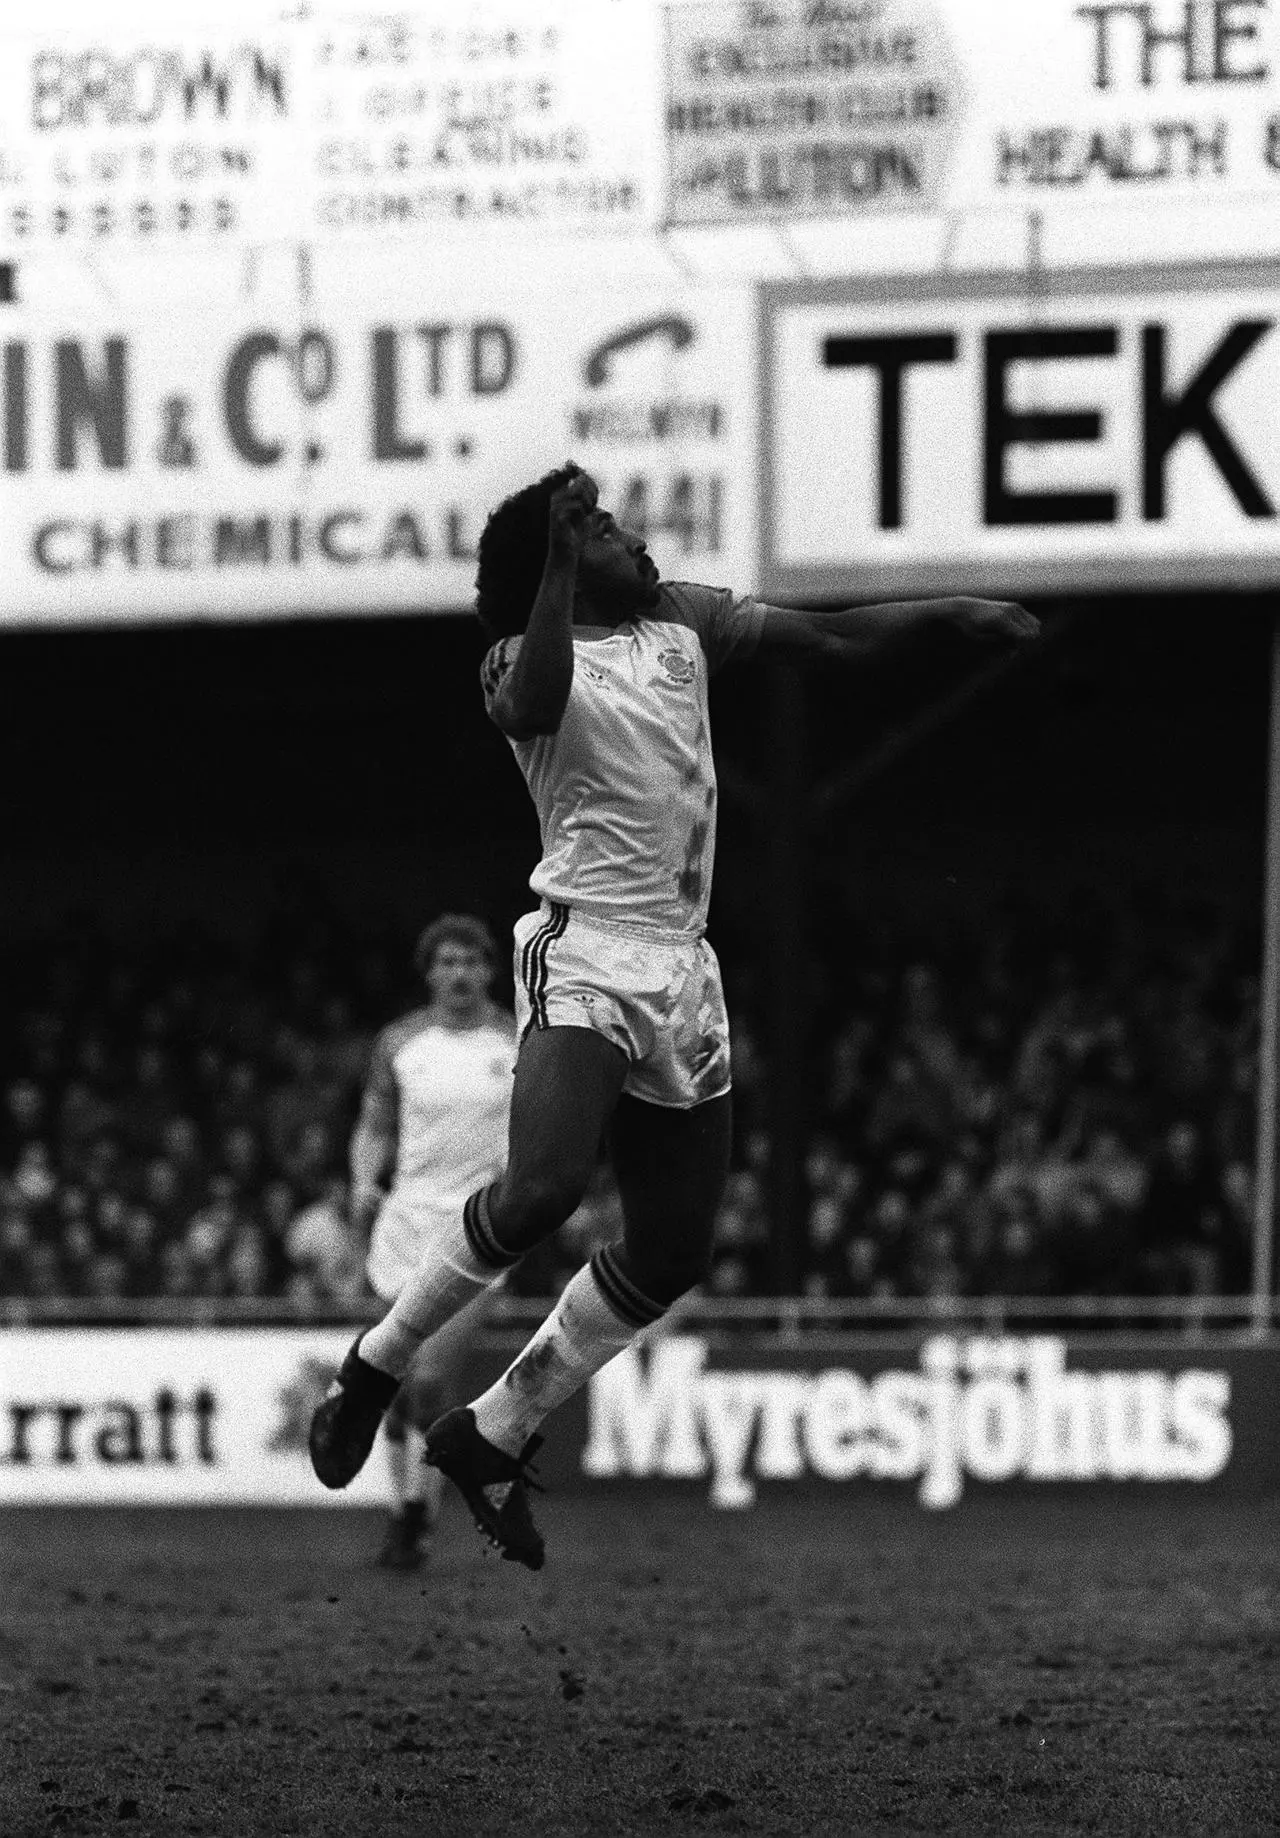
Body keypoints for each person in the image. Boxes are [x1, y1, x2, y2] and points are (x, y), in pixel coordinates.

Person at [310, 461, 1039, 1569]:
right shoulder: (515, 656)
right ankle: (375, 1363)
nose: (626, 538)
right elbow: (537, 701)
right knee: (544, 1187)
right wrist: (555, 563)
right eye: (597, 529)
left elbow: (831, 642)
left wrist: (945, 612)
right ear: (556, 564)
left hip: (682, 969)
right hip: (586, 947)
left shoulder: (677, 622)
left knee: (672, 1247)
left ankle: (494, 1425)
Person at [344, 913, 515, 1570]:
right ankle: (405, 1512)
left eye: (470, 961)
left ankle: (418, 1510)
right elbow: (373, 1125)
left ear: (490, 972)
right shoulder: (400, 1044)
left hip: (478, 1234)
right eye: (446, 962)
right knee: (391, 1379)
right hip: (404, 1230)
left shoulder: (518, 1042)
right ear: (428, 973)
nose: (459, 973)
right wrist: (363, 1181)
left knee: (431, 1378)